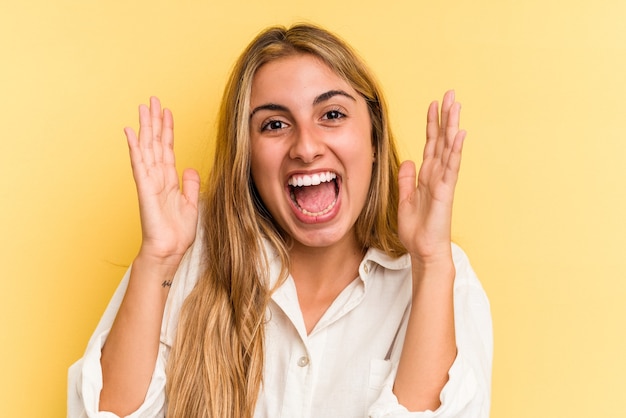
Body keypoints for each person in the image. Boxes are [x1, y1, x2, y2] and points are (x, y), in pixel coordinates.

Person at [68, 23, 492, 418]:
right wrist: (157, 259)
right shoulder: (185, 264)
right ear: (246, 158)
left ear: (374, 138)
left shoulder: (439, 276)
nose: (306, 147)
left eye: (332, 115)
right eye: (274, 124)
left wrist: (431, 261)